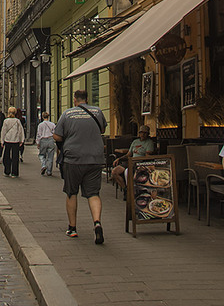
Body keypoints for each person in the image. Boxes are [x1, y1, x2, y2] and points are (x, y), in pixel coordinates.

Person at [53, 89, 107, 244]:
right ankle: (97, 222)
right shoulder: (97, 112)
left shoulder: (67, 114)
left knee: (71, 192)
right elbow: (102, 129)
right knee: (93, 193)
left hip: (73, 159)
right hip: (95, 159)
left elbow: (57, 135)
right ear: (87, 99)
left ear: (74, 99)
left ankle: (72, 228)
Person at [111, 125, 155, 190]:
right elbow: (128, 154)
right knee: (114, 172)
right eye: (141, 132)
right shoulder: (135, 142)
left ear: (148, 134)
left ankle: (131, 191)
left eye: (145, 133)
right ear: (139, 133)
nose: (143, 134)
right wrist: (119, 159)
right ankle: (126, 189)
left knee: (128, 172)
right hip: (130, 161)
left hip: (140, 162)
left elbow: (147, 156)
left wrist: (136, 161)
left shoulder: (149, 142)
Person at [1, 106, 25, 178]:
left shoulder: (6, 121)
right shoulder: (17, 121)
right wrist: (21, 140)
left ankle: (7, 171)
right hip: (15, 140)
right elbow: (20, 131)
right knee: (15, 157)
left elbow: (3, 131)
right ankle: (14, 172)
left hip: (7, 140)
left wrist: (2, 141)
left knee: (6, 156)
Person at [35, 111, 57, 176]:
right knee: (50, 156)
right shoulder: (52, 124)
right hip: (51, 140)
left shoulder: (40, 125)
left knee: (42, 155)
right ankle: (49, 171)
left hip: (43, 140)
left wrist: (38, 142)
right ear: (48, 117)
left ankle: (43, 165)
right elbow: (55, 133)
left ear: (42, 117)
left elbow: (39, 134)